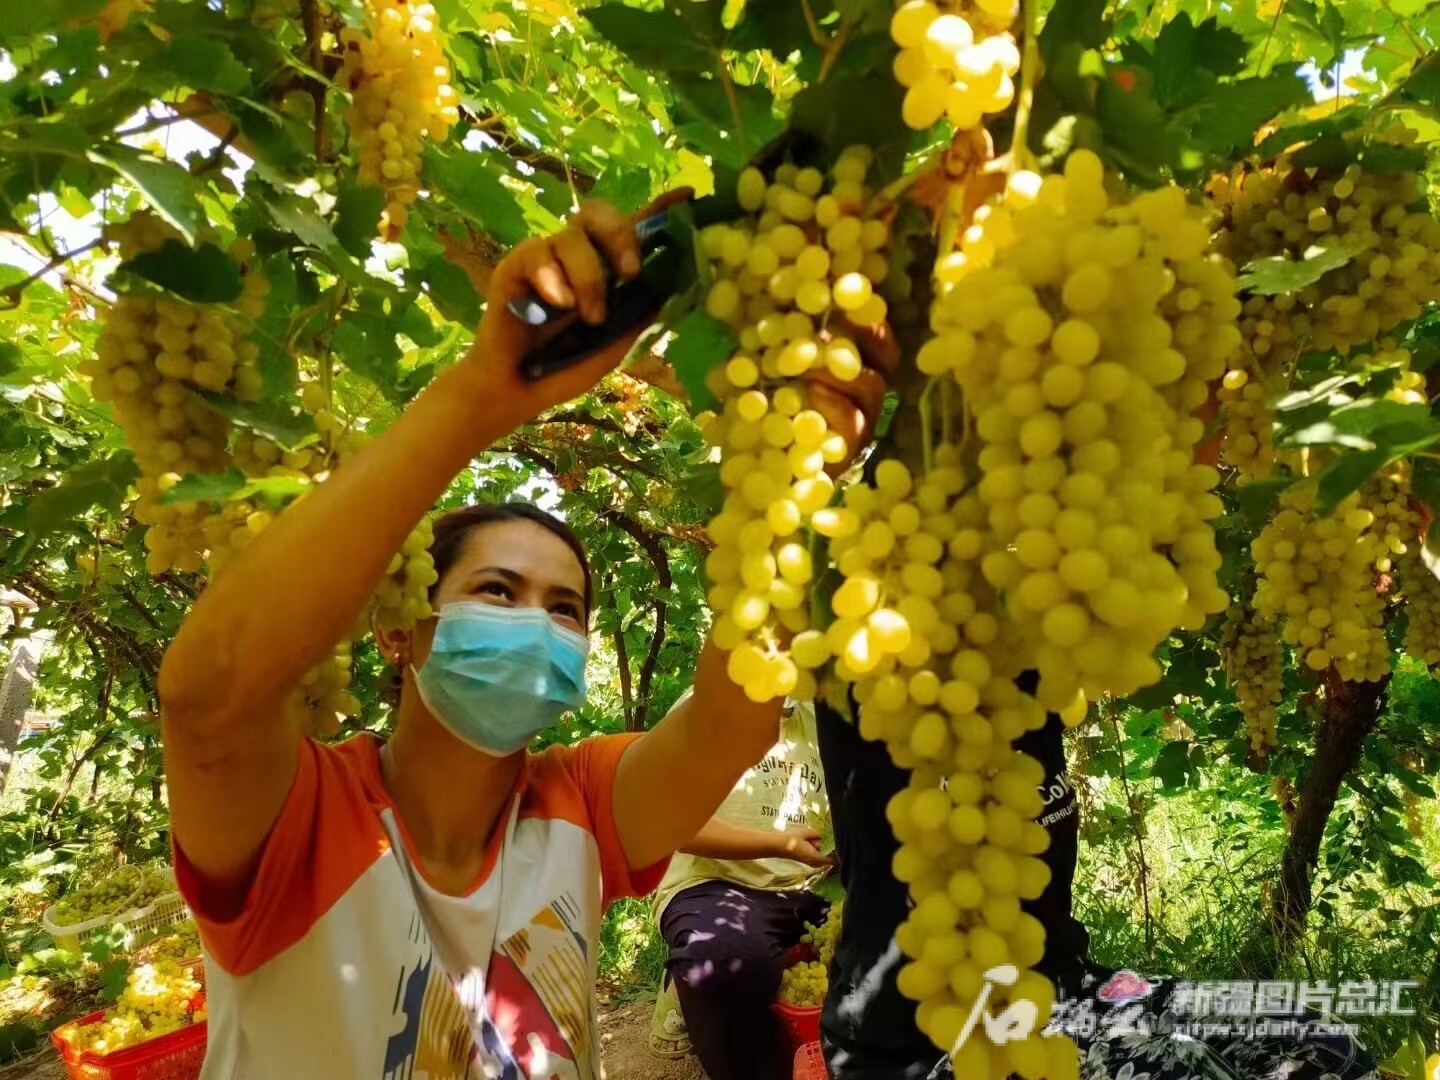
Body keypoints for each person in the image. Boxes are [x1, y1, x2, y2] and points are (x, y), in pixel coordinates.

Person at [156, 195, 893, 1079]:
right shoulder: (300, 820)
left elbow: (730, 725)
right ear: (404, 633)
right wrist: (483, 392)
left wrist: (791, 470)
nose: (537, 624)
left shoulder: (576, 807)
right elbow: (209, 700)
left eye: (565, 609)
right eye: (496, 590)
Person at [814, 684, 1384, 1080]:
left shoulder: (1033, 628)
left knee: (1322, 1040)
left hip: (1068, 991)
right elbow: (727, 720)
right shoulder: (875, 651)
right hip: (933, 1045)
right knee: (1184, 1068)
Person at [648, 696, 835, 1079]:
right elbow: (673, 822)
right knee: (728, 963)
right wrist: (778, 844)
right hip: (716, 884)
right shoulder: (702, 710)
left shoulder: (823, 722)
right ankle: (691, 984)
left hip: (809, 887)